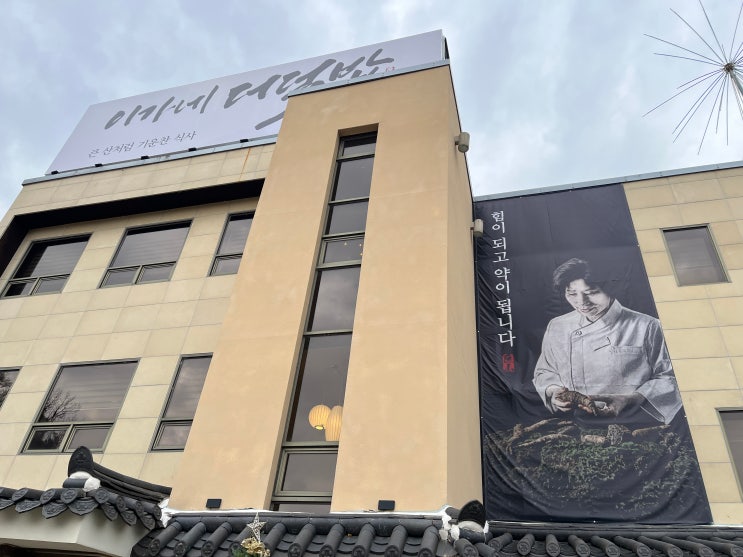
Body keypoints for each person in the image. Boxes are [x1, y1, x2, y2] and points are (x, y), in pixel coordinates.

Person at [532, 258, 681, 424]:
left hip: (633, 421)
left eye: (591, 292)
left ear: (611, 289)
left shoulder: (648, 326)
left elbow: (670, 378)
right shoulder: (558, 325)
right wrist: (554, 391)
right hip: (571, 423)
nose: (581, 302)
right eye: (572, 294)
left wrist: (631, 399)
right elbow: (545, 371)